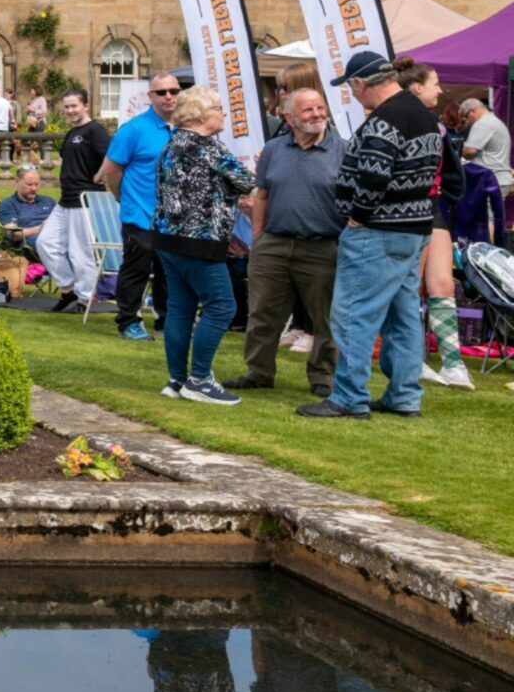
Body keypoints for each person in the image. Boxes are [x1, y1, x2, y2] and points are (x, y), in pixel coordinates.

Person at [303, 53, 441, 420]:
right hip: (413, 229)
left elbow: (374, 177)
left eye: (351, 88)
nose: (352, 95)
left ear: (361, 84)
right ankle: (405, 396)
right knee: (403, 317)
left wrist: (358, 218)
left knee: (353, 314)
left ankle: (348, 397)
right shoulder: (421, 112)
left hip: (378, 229)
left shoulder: (385, 119)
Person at [225, 86, 344, 396]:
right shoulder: (275, 149)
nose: (317, 114)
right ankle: (258, 372)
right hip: (273, 244)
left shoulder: (343, 150)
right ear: (289, 117)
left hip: (321, 246)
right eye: (308, 110)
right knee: (263, 312)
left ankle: (323, 377)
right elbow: (261, 195)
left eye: (320, 107)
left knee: (326, 318)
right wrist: (258, 239)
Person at [153, 87, 256, 404]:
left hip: (168, 236)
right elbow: (246, 180)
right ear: (200, 115)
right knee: (223, 306)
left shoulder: (173, 143)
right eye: (218, 107)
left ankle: (176, 380)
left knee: (181, 309)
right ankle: (199, 379)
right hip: (200, 239)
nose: (223, 113)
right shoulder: (206, 146)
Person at [396, 62, 474, 389]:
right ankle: (412, 359)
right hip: (412, 208)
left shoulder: (437, 125)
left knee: (442, 283)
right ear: (417, 88)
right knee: (411, 285)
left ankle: (453, 364)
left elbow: (452, 171)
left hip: (435, 205)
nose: (440, 91)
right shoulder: (402, 118)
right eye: (435, 84)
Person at [97, 67, 184, 341]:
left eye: (174, 91)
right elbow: (110, 170)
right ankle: (129, 321)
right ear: (151, 96)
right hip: (140, 213)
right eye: (162, 92)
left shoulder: (185, 129)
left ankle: (166, 320)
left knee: (169, 271)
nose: (168, 97)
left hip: (173, 216)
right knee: (136, 269)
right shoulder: (134, 130)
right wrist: (123, 198)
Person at [40, 88, 110, 314]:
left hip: (85, 199)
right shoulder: (72, 132)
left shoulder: (95, 131)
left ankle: (85, 299)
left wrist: (101, 176)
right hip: (65, 200)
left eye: (74, 106)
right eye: (67, 107)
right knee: (45, 243)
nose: (70, 111)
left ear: (86, 105)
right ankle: (68, 288)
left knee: (81, 253)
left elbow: (112, 158)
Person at [0, 163, 55, 261]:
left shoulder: (49, 201)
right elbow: (12, 236)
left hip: (54, 238)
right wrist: (39, 229)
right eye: (29, 184)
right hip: (29, 243)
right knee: (43, 241)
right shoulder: (8, 204)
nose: (34, 189)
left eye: (36, 184)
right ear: (17, 182)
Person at [460, 95, 512, 188]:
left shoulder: (482, 123)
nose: (468, 121)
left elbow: (470, 151)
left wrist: (460, 151)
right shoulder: (494, 121)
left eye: (466, 116)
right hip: (499, 178)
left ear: (473, 110)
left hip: (490, 179)